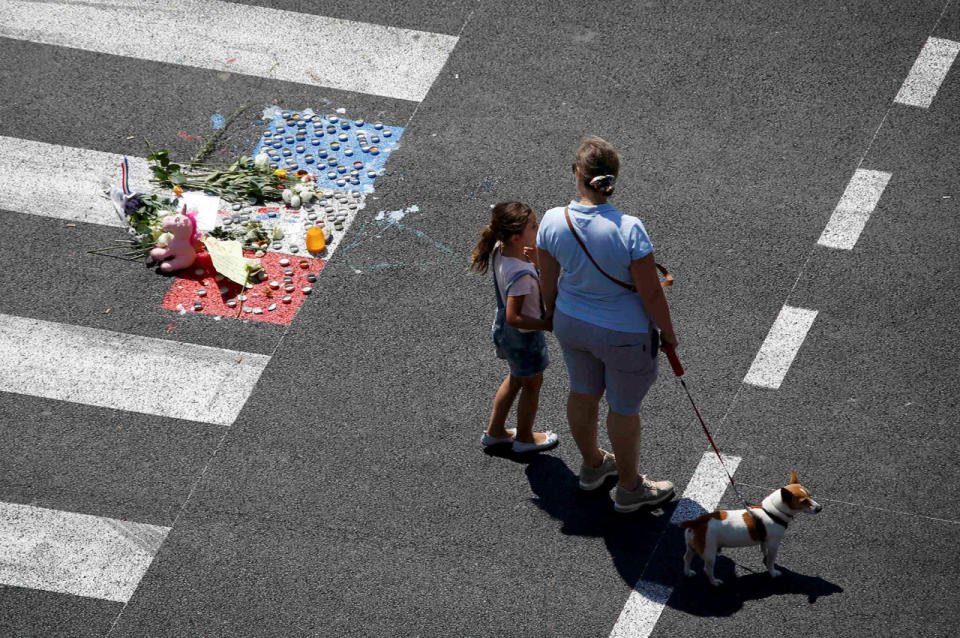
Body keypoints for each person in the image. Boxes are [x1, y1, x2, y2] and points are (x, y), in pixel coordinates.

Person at [537, 136, 678, 512]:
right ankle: (630, 488)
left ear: (578, 174)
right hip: (625, 334)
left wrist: (553, 313)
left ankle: (593, 466)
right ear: (612, 179)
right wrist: (668, 333)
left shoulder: (552, 220)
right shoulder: (629, 228)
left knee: (583, 392)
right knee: (623, 408)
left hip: (571, 323)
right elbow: (651, 295)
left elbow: (546, 281)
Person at [470, 202, 559, 454]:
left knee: (516, 379)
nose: (538, 228)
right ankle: (525, 438)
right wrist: (547, 324)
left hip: (506, 336)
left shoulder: (501, 249)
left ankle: (496, 431)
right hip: (524, 339)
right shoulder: (520, 274)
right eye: (533, 226)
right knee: (532, 385)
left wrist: (537, 264)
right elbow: (515, 317)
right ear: (516, 236)